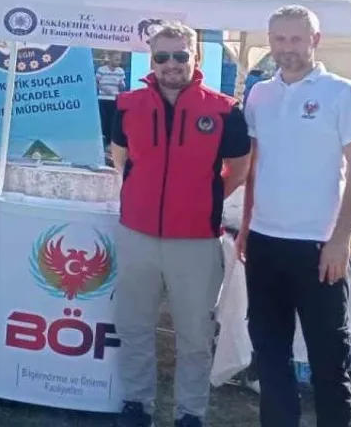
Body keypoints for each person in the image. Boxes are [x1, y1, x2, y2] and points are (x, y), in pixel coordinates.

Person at [109, 23, 251, 427]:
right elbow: (121, 160)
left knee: (195, 335)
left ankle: (190, 412)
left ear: (196, 56)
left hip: (195, 241)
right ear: (151, 61)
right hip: (137, 234)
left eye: (180, 55)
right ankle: (136, 403)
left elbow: (239, 168)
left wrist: (204, 199)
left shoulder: (224, 110)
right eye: (162, 56)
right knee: (134, 325)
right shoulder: (127, 105)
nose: (171, 64)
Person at [240, 5, 351, 427]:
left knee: (329, 362)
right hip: (264, 243)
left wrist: (340, 240)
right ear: (269, 41)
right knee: (270, 357)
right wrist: (245, 228)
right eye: (279, 39)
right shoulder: (259, 94)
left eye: (297, 39)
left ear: (315, 40)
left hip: (319, 246)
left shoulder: (343, 93)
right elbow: (253, 166)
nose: (288, 48)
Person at [96, 52, 127, 145]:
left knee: (113, 121)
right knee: (103, 121)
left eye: (119, 60)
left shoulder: (120, 71)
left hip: (114, 99)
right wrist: (103, 88)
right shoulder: (101, 70)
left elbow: (122, 86)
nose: (118, 61)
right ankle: (103, 140)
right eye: (116, 59)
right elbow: (95, 83)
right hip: (103, 99)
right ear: (110, 58)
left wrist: (122, 85)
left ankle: (111, 141)